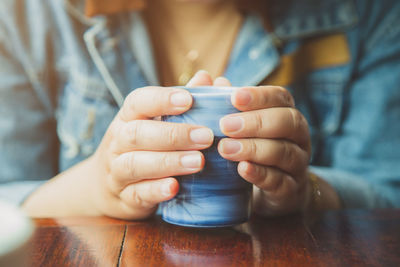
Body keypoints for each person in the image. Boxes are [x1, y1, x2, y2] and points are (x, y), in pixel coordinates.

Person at [0, 0, 399, 220]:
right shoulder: (26, 14)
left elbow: (388, 198)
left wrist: (307, 192)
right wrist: (95, 186)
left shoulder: (371, 13)